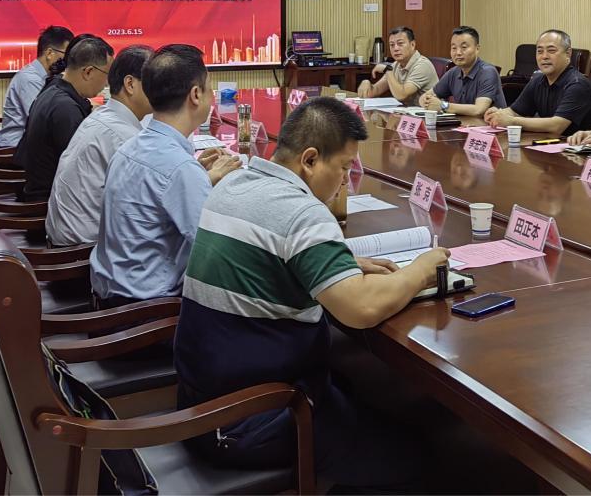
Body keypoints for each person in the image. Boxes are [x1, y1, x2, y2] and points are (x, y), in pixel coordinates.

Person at [174, 96, 449, 489]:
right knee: (421, 459)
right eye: (343, 167)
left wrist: (337, 262)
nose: (345, 180)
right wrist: (421, 271)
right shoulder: (302, 212)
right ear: (310, 160)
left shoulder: (235, 183)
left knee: (358, 392)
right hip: (254, 418)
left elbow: (274, 254)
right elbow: (360, 307)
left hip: (201, 400)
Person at [90, 44, 242, 308]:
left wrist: (199, 177)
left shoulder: (130, 147)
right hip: (148, 311)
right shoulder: (179, 168)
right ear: (196, 95)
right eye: (209, 89)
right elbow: (218, 253)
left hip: (110, 293)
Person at [45, 45, 153, 247]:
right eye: (155, 81)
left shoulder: (104, 116)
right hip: (81, 250)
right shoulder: (122, 136)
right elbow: (152, 202)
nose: (162, 89)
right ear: (130, 84)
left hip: (69, 236)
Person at [14, 35, 113, 202]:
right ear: (88, 72)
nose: (106, 84)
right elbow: (82, 170)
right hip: (47, 200)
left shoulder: (56, 87)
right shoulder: (66, 109)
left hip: (39, 188)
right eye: (106, 75)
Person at [483, 29, 591, 136]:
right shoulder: (538, 80)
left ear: (568, 53)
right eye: (540, 51)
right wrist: (498, 113)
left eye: (551, 51)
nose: (544, 56)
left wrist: (512, 121)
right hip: (554, 144)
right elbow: (515, 111)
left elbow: (557, 126)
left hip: (587, 149)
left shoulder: (578, 84)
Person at [0, 25, 72, 148]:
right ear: (49, 53)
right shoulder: (30, 79)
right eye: (67, 55)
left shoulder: (46, 77)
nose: (69, 61)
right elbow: (43, 120)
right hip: (14, 150)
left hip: (29, 144)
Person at [420, 26, 505, 116]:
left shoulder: (488, 72)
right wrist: (426, 101)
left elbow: (478, 110)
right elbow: (424, 97)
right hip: (465, 123)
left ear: (477, 49)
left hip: (489, 124)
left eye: (464, 47)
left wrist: (443, 105)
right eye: (454, 48)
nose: (458, 52)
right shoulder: (453, 72)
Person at [357, 26, 438, 106]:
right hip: (408, 112)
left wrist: (387, 70)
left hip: (429, 112)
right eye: (392, 45)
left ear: (412, 45)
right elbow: (375, 91)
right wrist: (366, 83)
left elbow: (402, 95)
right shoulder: (396, 65)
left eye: (400, 43)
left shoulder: (422, 65)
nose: (395, 48)